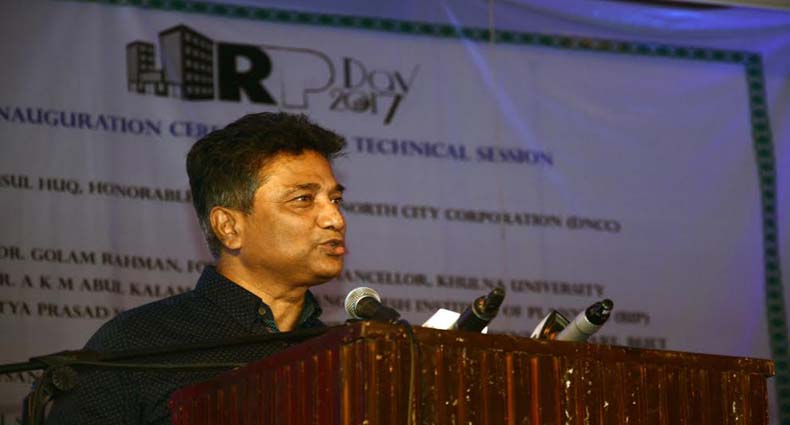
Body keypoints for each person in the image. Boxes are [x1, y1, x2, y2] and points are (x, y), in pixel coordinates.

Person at [45, 112, 347, 424]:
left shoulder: (343, 354)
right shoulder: (136, 345)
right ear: (228, 227)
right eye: (303, 199)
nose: (334, 219)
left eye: (335, 200)